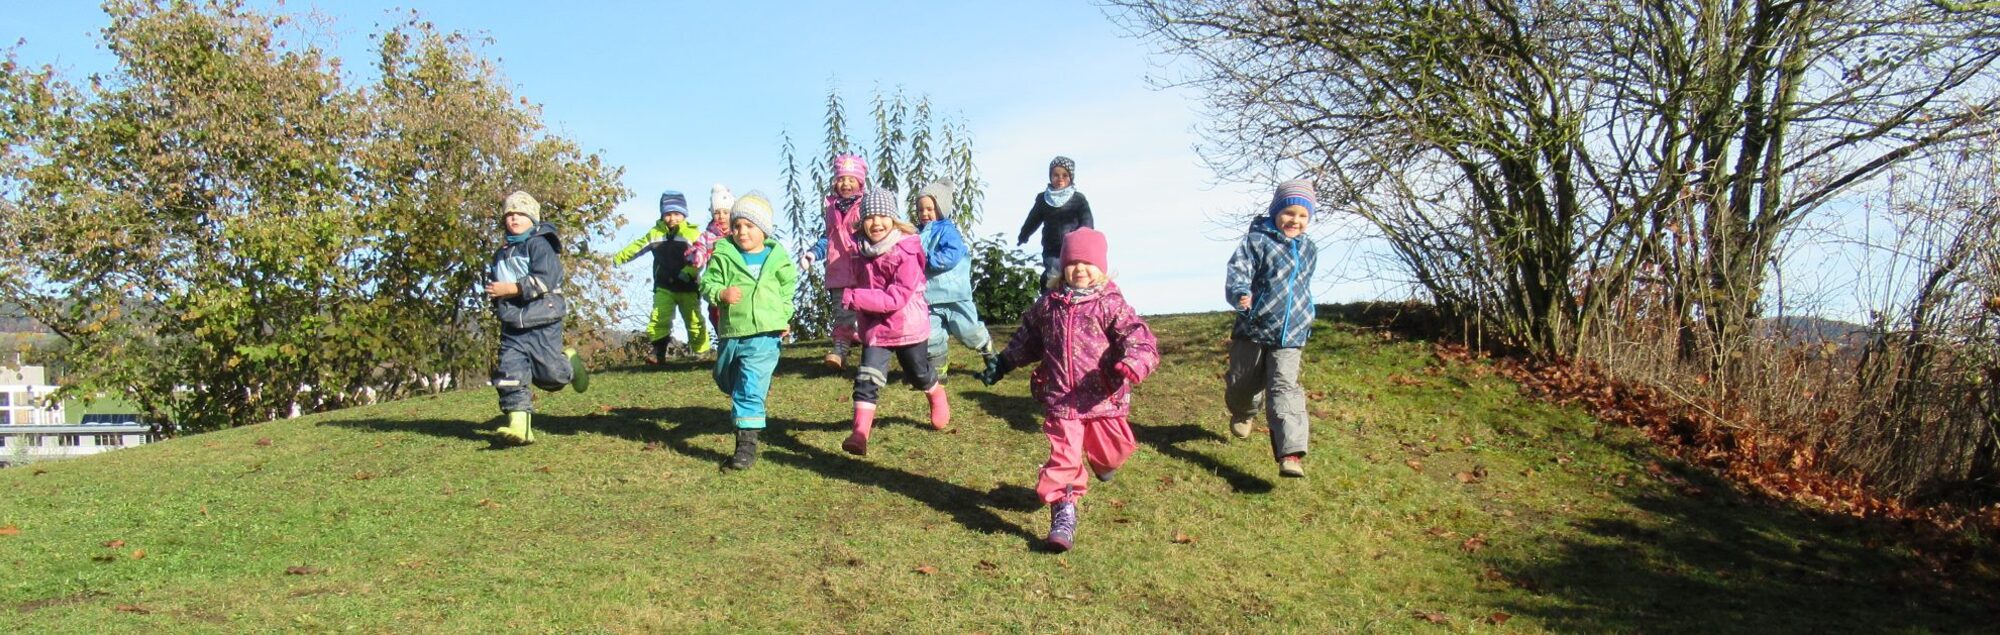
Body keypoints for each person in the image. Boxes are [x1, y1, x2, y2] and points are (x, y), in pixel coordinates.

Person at [974, 228, 1157, 553]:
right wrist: (1003, 363)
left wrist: (1134, 362)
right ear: (1062, 268)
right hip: (1061, 399)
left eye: (1088, 263)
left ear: (1102, 268)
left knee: (1113, 451)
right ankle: (1063, 513)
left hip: (1103, 398)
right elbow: (1027, 340)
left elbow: (1139, 338)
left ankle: (1105, 462)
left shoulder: (1110, 304)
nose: (1080, 269)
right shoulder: (1049, 305)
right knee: (1064, 458)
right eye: (1073, 263)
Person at [840, 188, 952, 456]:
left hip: (907, 325)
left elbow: (896, 297)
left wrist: (856, 298)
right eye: (869, 217)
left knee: (917, 372)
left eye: (882, 216)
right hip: (876, 328)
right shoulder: (859, 249)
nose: (876, 223)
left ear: (893, 219)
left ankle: (935, 392)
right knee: (868, 376)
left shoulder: (907, 250)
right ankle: (860, 434)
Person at [1223, 179, 1321, 478]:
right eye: (1289, 213)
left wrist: (1307, 315)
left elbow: (1302, 286)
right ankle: (1244, 411)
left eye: (1303, 216)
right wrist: (1240, 293)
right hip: (1254, 326)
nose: (1295, 220)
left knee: (1285, 389)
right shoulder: (1257, 242)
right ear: (1276, 212)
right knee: (1242, 383)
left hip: (1291, 333)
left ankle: (1290, 453)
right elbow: (1239, 270)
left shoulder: (1309, 249)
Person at [700, 191, 798, 470]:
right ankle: (750, 394)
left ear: (763, 230)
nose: (742, 232)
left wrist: (784, 316)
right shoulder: (723, 253)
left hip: (766, 334)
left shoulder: (777, 258)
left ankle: (746, 446)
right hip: (733, 332)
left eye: (749, 226)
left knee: (749, 387)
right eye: (737, 225)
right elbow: (707, 284)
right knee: (725, 377)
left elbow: (787, 290)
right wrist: (721, 292)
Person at [486, 190, 589, 445]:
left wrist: (511, 289)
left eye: (520, 213)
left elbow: (546, 278)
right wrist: (495, 296)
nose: (513, 218)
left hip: (542, 318)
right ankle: (519, 426)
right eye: (509, 214)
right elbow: (494, 282)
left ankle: (569, 362)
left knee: (550, 377)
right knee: (509, 373)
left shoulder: (539, 244)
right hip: (512, 324)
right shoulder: (501, 253)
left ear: (532, 218)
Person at [613, 190, 708, 363]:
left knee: (694, 320)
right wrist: (618, 258)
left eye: (677, 214)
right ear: (662, 215)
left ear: (684, 214)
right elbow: (637, 247)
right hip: (663, 285)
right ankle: (658, 351)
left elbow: (700, 258)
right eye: (668, 214)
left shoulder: (692, 234)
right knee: (659, 316)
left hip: (688, 286)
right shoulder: (655, 233)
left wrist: (689, 272)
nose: (673, 218)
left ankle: (701, 352)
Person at [913, 180, 995, 380]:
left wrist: (928, 260)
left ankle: (986, 347)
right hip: (928, 297)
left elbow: (952, 254)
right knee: (931, 335)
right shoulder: (916, 233)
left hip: (953, 293)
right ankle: (938, 371)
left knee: (968, 331)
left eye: (930, 209)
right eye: (921, 209)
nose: (925, 214)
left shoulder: (947, 230)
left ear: (941, 208)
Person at [802, 154, 869, 369]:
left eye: (851, 179)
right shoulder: (831, 208)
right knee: (842, 314)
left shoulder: (865, 205)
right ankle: (840, 353)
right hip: (837, 270)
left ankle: (872, 349)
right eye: (841, 179)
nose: (846, 184)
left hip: (862, 270)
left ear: (860, 182)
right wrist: (813, 254)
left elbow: (872, 233)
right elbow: (827, 238)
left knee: (867, 310)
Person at [1016, 155, 1094, 288]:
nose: (1060, 179)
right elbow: (1032, 219)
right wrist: (1024, 235)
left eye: (1065, 175)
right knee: (1053, 276)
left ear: (1071, 178)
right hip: (1051, 248)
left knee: (1072, 277)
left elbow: (1087, 221)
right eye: (1056, 175)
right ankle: (1051, 304)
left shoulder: (1078, 198)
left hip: (1072, 248)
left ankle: (1074, 302)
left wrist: (1084, 238)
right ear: (1050, 177)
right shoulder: (1044, 199)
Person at [689, 183, 737, 351]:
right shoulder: (708, 236)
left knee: (737, 311)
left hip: (735, 280)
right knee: (715, 313)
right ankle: (723, 341)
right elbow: (700, 248)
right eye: (717, 212)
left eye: (725, 212)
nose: (721, 216)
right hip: (715, 282)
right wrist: (697, 257)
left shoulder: (737, 234)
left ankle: (738, 343)